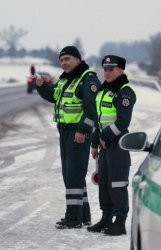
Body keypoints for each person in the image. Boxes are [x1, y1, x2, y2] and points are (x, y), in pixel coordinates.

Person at [36, 46, 100, 229]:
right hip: (64, 132)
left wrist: (83, 130)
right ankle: (84, 216)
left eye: (68, 59)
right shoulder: (66, 80)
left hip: (77, 133)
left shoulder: (87, 79)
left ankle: (73, 219)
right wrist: (42, 87)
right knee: (73, 175)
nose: (64, 63)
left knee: (73, 175)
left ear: (78, 60)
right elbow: (54, 96)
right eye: (61, 60)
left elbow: (92, 109)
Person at [87, 55, 136, 236]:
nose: (107, 72)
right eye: (105, 69)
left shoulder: (125, 92)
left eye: (111, 69)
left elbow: (122, 122)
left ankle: (120, 222)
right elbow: (98, 120)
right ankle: (106, 218)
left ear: (121, 70)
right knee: (104, 185)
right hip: (103, 146)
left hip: (118, 145)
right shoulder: (103, 91)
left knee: (117, 184)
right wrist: (94, 143)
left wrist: (104, 136)